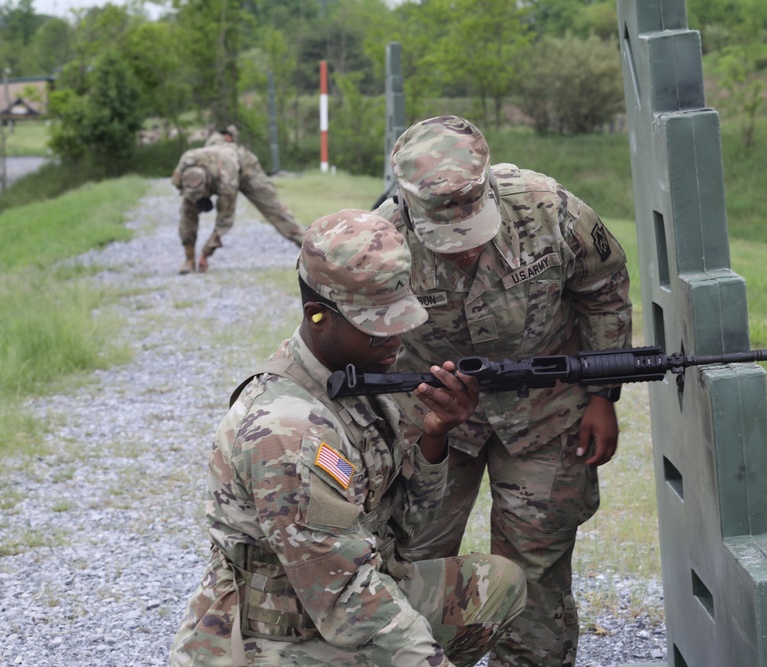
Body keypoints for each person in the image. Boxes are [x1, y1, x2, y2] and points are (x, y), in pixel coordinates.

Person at [170, 209, 527, 667]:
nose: (395, 337)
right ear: (316, 315)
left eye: (399, 317)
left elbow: (407, 536)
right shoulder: (288, 432)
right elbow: (347, 598)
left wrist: (435, 438)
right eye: (376, 324)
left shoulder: (355, 385)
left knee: (494, 584)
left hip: (334, 600)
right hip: (279, 636)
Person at [375, 115, 633, 666]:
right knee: (412, 555)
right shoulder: (379, 242)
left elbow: (603, 292)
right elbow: (357, 339)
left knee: (535, 564)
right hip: (433, 421)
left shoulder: (551, 210)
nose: (465, 250)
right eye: (447, 240)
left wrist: (601, 395)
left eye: (473, 231)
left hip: (545, 411)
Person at [205, 124, 305, 249]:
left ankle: (199, 252)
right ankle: (307, 244)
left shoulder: (210, 145)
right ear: (228, 137)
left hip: (241, 175)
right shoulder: (223, 146)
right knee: (277, 212)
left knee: (224, 212)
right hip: (246, 174)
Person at [171, 144, 241, 274]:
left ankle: (291, 233)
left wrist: (206, 253)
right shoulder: (185, 165)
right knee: (187, 213)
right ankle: (189, 260)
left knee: (266, 199)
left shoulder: (226, 179)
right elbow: (179, 188)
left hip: (234, 161)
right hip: (205, 172)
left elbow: (225, 219)